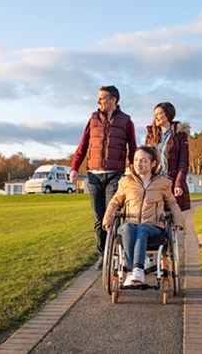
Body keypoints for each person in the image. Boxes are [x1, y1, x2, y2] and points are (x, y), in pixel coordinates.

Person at [70, 85, 137, 269]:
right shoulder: (93, 119)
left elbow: (133, 148)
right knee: (99, 219)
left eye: (102, 98)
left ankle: (115, 251)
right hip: (93, 176)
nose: (98, 101)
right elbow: (82, 146)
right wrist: (75, 167)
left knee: (113, 215)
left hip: (115, 176)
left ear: (113, 100)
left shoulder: (126, 121)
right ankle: (103, 253)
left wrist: (135, 171)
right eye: (98, 98)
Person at [102, 145, 185, 286]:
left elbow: (172, 203)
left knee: (142, 228)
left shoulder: (162, 183)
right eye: (136, 160)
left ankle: (138, 270)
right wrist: (107, 219)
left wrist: (178, 222)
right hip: (129, 227)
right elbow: (115, 202)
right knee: (128, 227)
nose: (138, 164)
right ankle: (130, 272)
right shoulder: (126, 182)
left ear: (153, 164)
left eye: (143, 160)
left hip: (153, 229)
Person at [145, 102, 191, 211]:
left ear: (168, 115)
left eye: (159, 113)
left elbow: (183, 162)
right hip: (154, 182)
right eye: (154, 114)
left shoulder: (180, 135)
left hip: (171, 182)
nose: (156, 117)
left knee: (172, 218)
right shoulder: (151, 135)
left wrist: (178, 184)